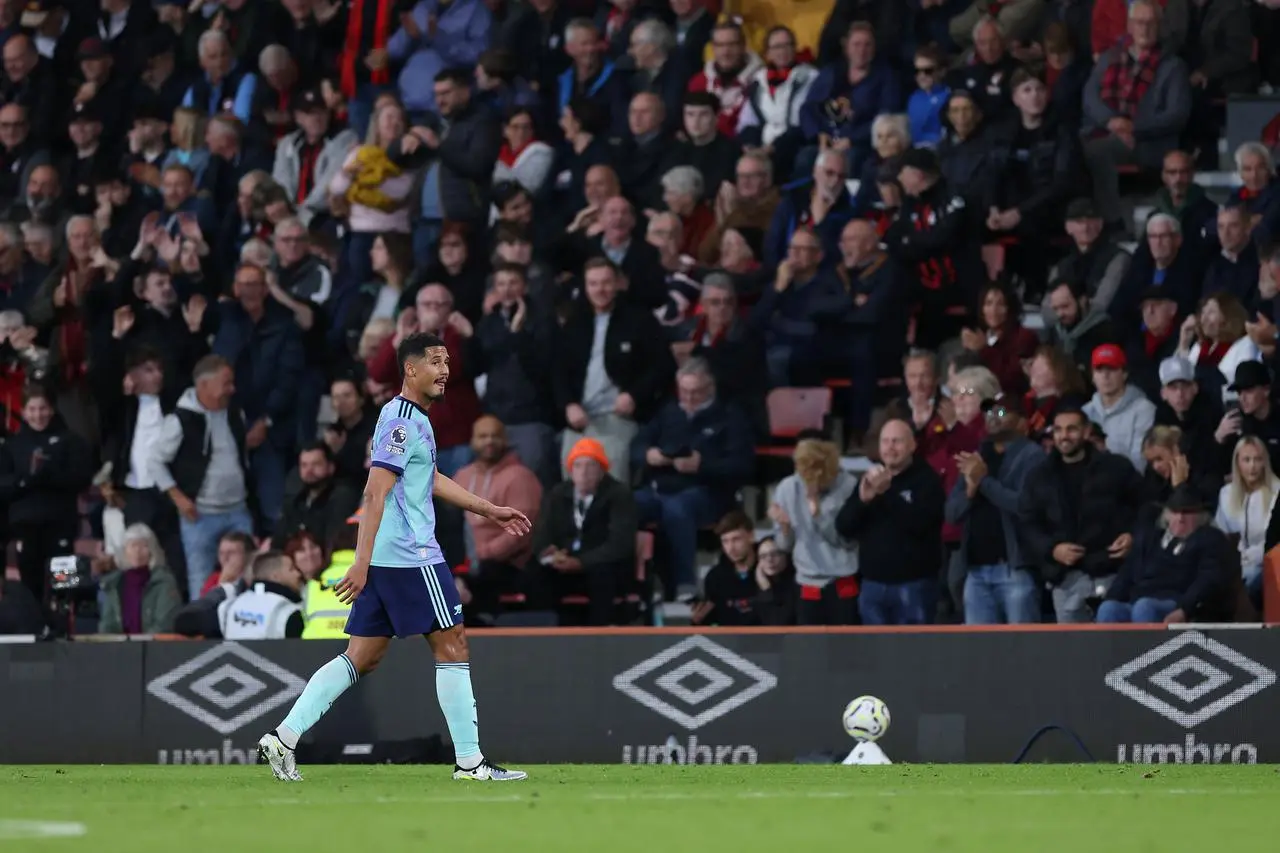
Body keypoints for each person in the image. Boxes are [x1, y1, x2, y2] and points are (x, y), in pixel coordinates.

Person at [259, 332, 531, 783]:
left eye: (447, 362)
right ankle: (470, 763)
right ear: (410, 369)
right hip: (412, 556)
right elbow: (375, 489)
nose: (445, 371)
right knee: (452, 645)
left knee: (361, 657)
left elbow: (429, 478)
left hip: (390, 558)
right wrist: (360, 563)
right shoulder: (403, 421)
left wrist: (488, 509)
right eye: (436, 362)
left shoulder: (407, 418)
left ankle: (283, 737)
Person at [1020, 401, 1146, 623]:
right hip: (1065, 581)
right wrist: (1053, 549)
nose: (1064, 436)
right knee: (1073, 654)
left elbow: (1147, 507)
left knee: (1117, 652)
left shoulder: (1116, 467)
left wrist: (1132, 537)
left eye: (1072, 429)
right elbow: (1028, 524)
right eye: (1058, 430)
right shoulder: (1039, 476)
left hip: (1112, 575)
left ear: (1087, 432)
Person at [945, 396, 1046, 625]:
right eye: (990, 413)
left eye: (1001, 413)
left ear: (1023, 423)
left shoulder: (1033, 456)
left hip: (1015, 570)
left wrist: (984, 481)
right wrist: (970, 491)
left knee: (1023, 650)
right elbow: (951, 513)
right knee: (981, 654)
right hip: (975, 572)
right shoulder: (976, 456)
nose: (993, 418)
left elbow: (1023, 506)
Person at [836, 419, 945, 626]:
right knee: (876, 656)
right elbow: (843, 527)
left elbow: (920, 524)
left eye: (897, 441)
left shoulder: (927, 480)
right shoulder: (870, 480)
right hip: (872, 587)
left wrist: (886, 493)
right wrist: (862, 502)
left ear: (912, 445)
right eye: (885, 442)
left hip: (914, 587)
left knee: (913, 654)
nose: (890, 448)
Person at [1098, 485, 1229, 624]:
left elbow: (1208, 579)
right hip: (1139, 599)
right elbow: (1127, 573)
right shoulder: (1150, 537)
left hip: (1177, 602)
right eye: (1175, 512)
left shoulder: (1210, 538)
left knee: (1144, 608)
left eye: (1187, 512)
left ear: (1200, 517)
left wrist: (1185, 609)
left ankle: (1145, 647)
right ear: (1166, 514)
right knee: (1108, 609)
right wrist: (1110, 598)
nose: (1180, 518)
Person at [767, 436, 860, 625]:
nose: (810, 484)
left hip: (842, 578)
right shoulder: (787, 488)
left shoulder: (848, 485)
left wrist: (818, 514)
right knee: (811, 646)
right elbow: (784, 546)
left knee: (846, 645)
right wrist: (785, 527)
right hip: (807, 581)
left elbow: (847, 541)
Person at [694, 512, 796, 626]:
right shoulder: (716, 577)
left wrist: (766, 589)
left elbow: (785, 619)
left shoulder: (772, 567)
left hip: (771, 639)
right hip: (730, 641)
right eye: (725, 541)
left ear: (751, 536)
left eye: (736, 539)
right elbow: (711, 625)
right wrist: (698, 620)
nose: (731, 548)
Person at [1214, 436, 1278, 608]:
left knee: (1250, 580)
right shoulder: (1226, 494)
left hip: (1266, 563)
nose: (1252, 466)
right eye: (1247, 460)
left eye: (1257, 459)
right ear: (1237, 463)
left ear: (1265, 462)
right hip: (1235, 564)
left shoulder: (1276, 492)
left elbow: (1275, 540)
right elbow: (1221, 536)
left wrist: (1250, 557)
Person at [97, 523, 183, 635]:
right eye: (133, 545)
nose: (137, 551)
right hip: (119, 649)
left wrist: (140, 645)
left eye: (144, 546)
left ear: (152, 551)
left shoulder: (164, 582)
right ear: (124, 551)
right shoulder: (113, 583)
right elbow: (107, 625)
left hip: (154, 647)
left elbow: (164, 625)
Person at [1084, 344, 1157, 472]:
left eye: (1111, 369)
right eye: (1099, 370)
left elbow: (1141, 462)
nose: (1105, 376)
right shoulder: (1085, 412)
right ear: (1093, 377)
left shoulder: (1144, 410)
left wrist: (1106, 450)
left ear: (1124, 374)